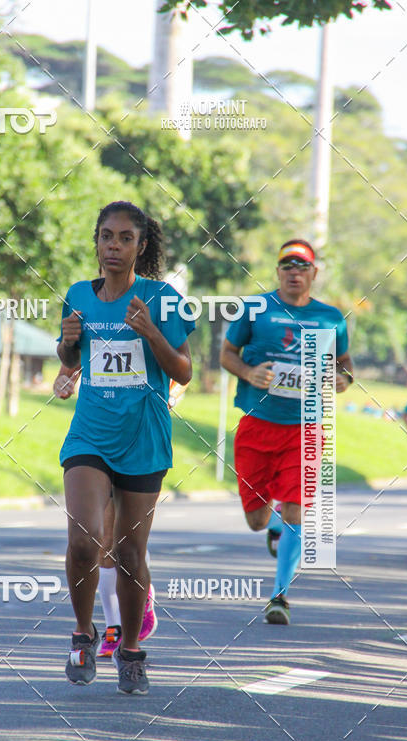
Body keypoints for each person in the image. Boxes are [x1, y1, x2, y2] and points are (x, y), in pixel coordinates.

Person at [57, 201, 193, 693]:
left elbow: (184, 371)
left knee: (130, 553)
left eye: (125, 238)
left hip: (144, 437)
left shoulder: (163, 298)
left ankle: (131, 651)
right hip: (90, 434)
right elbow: (70, 357)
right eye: (106, 236)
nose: (113, 246)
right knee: (84, 540)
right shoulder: (78, 295)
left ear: (141, 245)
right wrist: (66, 344)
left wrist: (151, 331)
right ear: (96, 241)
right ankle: (82, 634)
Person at [219, 239, 353, 624]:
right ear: (278, 271)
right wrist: (249, 373)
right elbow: (226, 354)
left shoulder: (331, 318)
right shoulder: (255, 309)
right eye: (287, 265)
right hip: (257, 426)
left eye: (302, 266)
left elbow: (344, 363)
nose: (295, 272)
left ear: (314, 273)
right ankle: (274, 522)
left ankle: (279, 596)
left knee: (297, 508)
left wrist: (343, 379)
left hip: (305, 429)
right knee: (256, 520)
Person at [53, 363, 160, 657]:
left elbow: (182, 369)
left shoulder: (155, 330)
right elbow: (70, 363)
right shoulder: (92, 329)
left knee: (125, 544)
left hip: (140, 437)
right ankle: (113, 625)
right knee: (97, 539)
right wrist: (63, 379)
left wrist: (171, 395)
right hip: (96, 437)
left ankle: (139, 593)